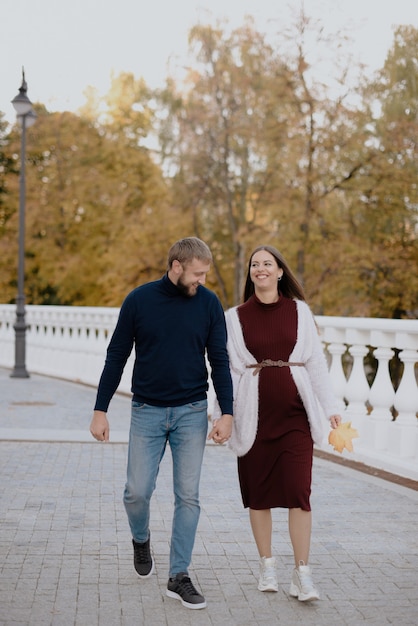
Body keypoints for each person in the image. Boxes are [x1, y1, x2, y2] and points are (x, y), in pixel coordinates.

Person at [90, 237, 233, 610]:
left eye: (205, 273)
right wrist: (100, 409)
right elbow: (116, 355)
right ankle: (141, 538)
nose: (202, 280)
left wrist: (227, 413)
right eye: (197, 273)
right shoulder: (140, 300)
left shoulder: (209, 303)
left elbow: (219, 360)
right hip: (147, 411)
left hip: (191, 412)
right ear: (176, 267)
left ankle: (179, 575)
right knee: (136, 492)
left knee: (188, 495)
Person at [213, 245, 341, 602]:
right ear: (250, 273)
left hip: (296, 418)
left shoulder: (299, 311)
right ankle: (267, 564)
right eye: (255, 264)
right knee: (259, 496)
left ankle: (302, 574)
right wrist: (220, 415)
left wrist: (331, 407)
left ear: (280, 271)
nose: (261, 269)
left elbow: (315, 363)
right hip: (253, 420)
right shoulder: (234, 317)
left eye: (267, 264)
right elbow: (225, 371)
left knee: (300, 493)